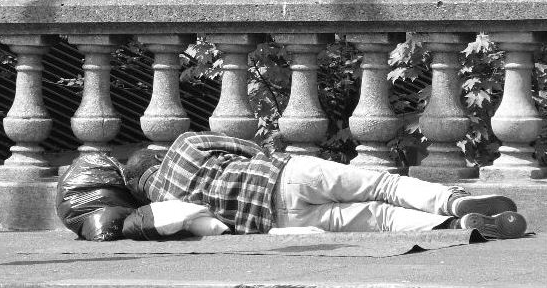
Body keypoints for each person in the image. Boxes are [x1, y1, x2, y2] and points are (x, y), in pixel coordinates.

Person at [120, 131, 527, 240]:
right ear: (155, 157)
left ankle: (455, 228)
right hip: (285, 176)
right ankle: (452, 202)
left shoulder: (160, 209)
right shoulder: (183, 146)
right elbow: (247, 148)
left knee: (380, 219)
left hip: (278, 221)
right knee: (383, 185)